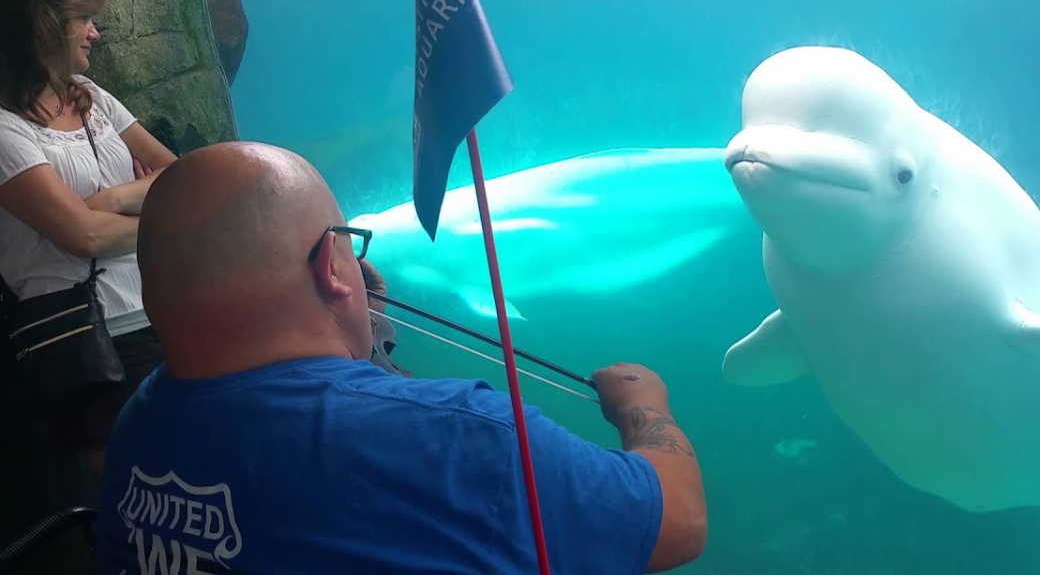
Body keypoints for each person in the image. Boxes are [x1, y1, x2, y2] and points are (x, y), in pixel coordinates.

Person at [92, 141, 708, 574]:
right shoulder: (461, 435)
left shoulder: (139, 423)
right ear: (334, 268)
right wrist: (643, 406)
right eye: (346, 249)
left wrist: (365, 332)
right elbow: (675, 523)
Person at [0, 0, 178, 479]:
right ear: (43, 26)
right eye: (82, 19)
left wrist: (112, 201)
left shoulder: (92, 97)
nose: (95, 32)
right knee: (137, 481)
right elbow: (83, 237)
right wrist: (160, 217)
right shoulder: (5, 129)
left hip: (159, 306)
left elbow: (181, 176)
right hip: (87, 336)